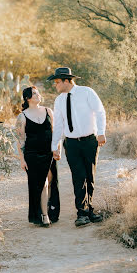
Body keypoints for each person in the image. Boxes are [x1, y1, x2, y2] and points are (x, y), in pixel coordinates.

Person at [48, 67, 106, 227]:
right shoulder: (59, 100)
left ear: (67, 80)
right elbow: (58, 125)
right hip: (71, 143)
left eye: (57, 82)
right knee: (78, 177)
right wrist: (55, 145)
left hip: (89, 141)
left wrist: (101, 132)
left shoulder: (86, 92)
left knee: (90, 176)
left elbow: (100, 112)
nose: (55, 85)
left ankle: (90, 210)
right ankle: (81, 212)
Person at [15, 86, 60, 227]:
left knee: (51, 181)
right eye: (34, 93)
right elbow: (20, 140)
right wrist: (22, 160)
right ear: (28, 98)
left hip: (49, 152)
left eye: (38, 92)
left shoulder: (48, 111)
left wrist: (57, 149)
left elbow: (56, 132)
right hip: (32, 154)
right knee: (42, 183)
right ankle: (44, 215)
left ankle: (51, 210)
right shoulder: (22, 117)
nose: (38, 95)